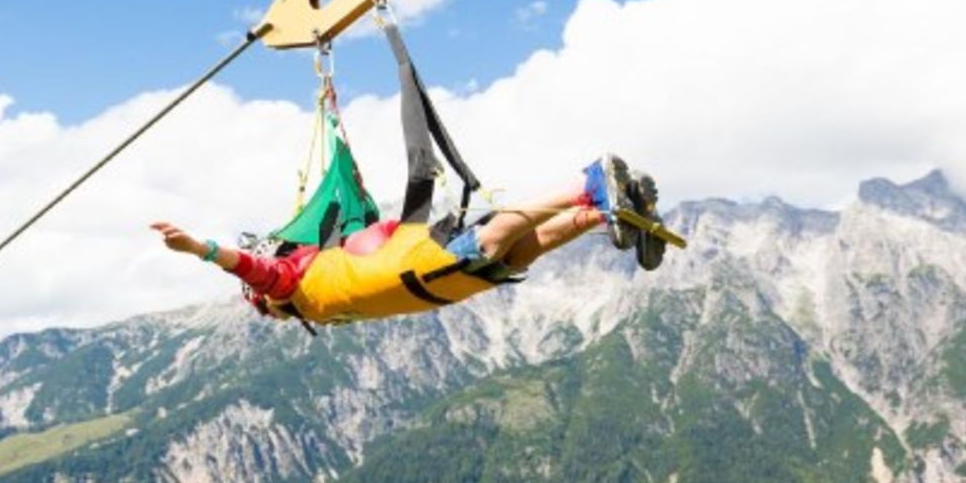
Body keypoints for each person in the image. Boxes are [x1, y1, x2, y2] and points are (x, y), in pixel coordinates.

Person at [152, 155, 664, 325]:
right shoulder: (316, 295)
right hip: (430, 282)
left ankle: (588, 183)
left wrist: (201, 249)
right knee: (513, 252)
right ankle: (601, 212)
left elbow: (253, 269)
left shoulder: (290, 281)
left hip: (419, 269)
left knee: (490, 242)